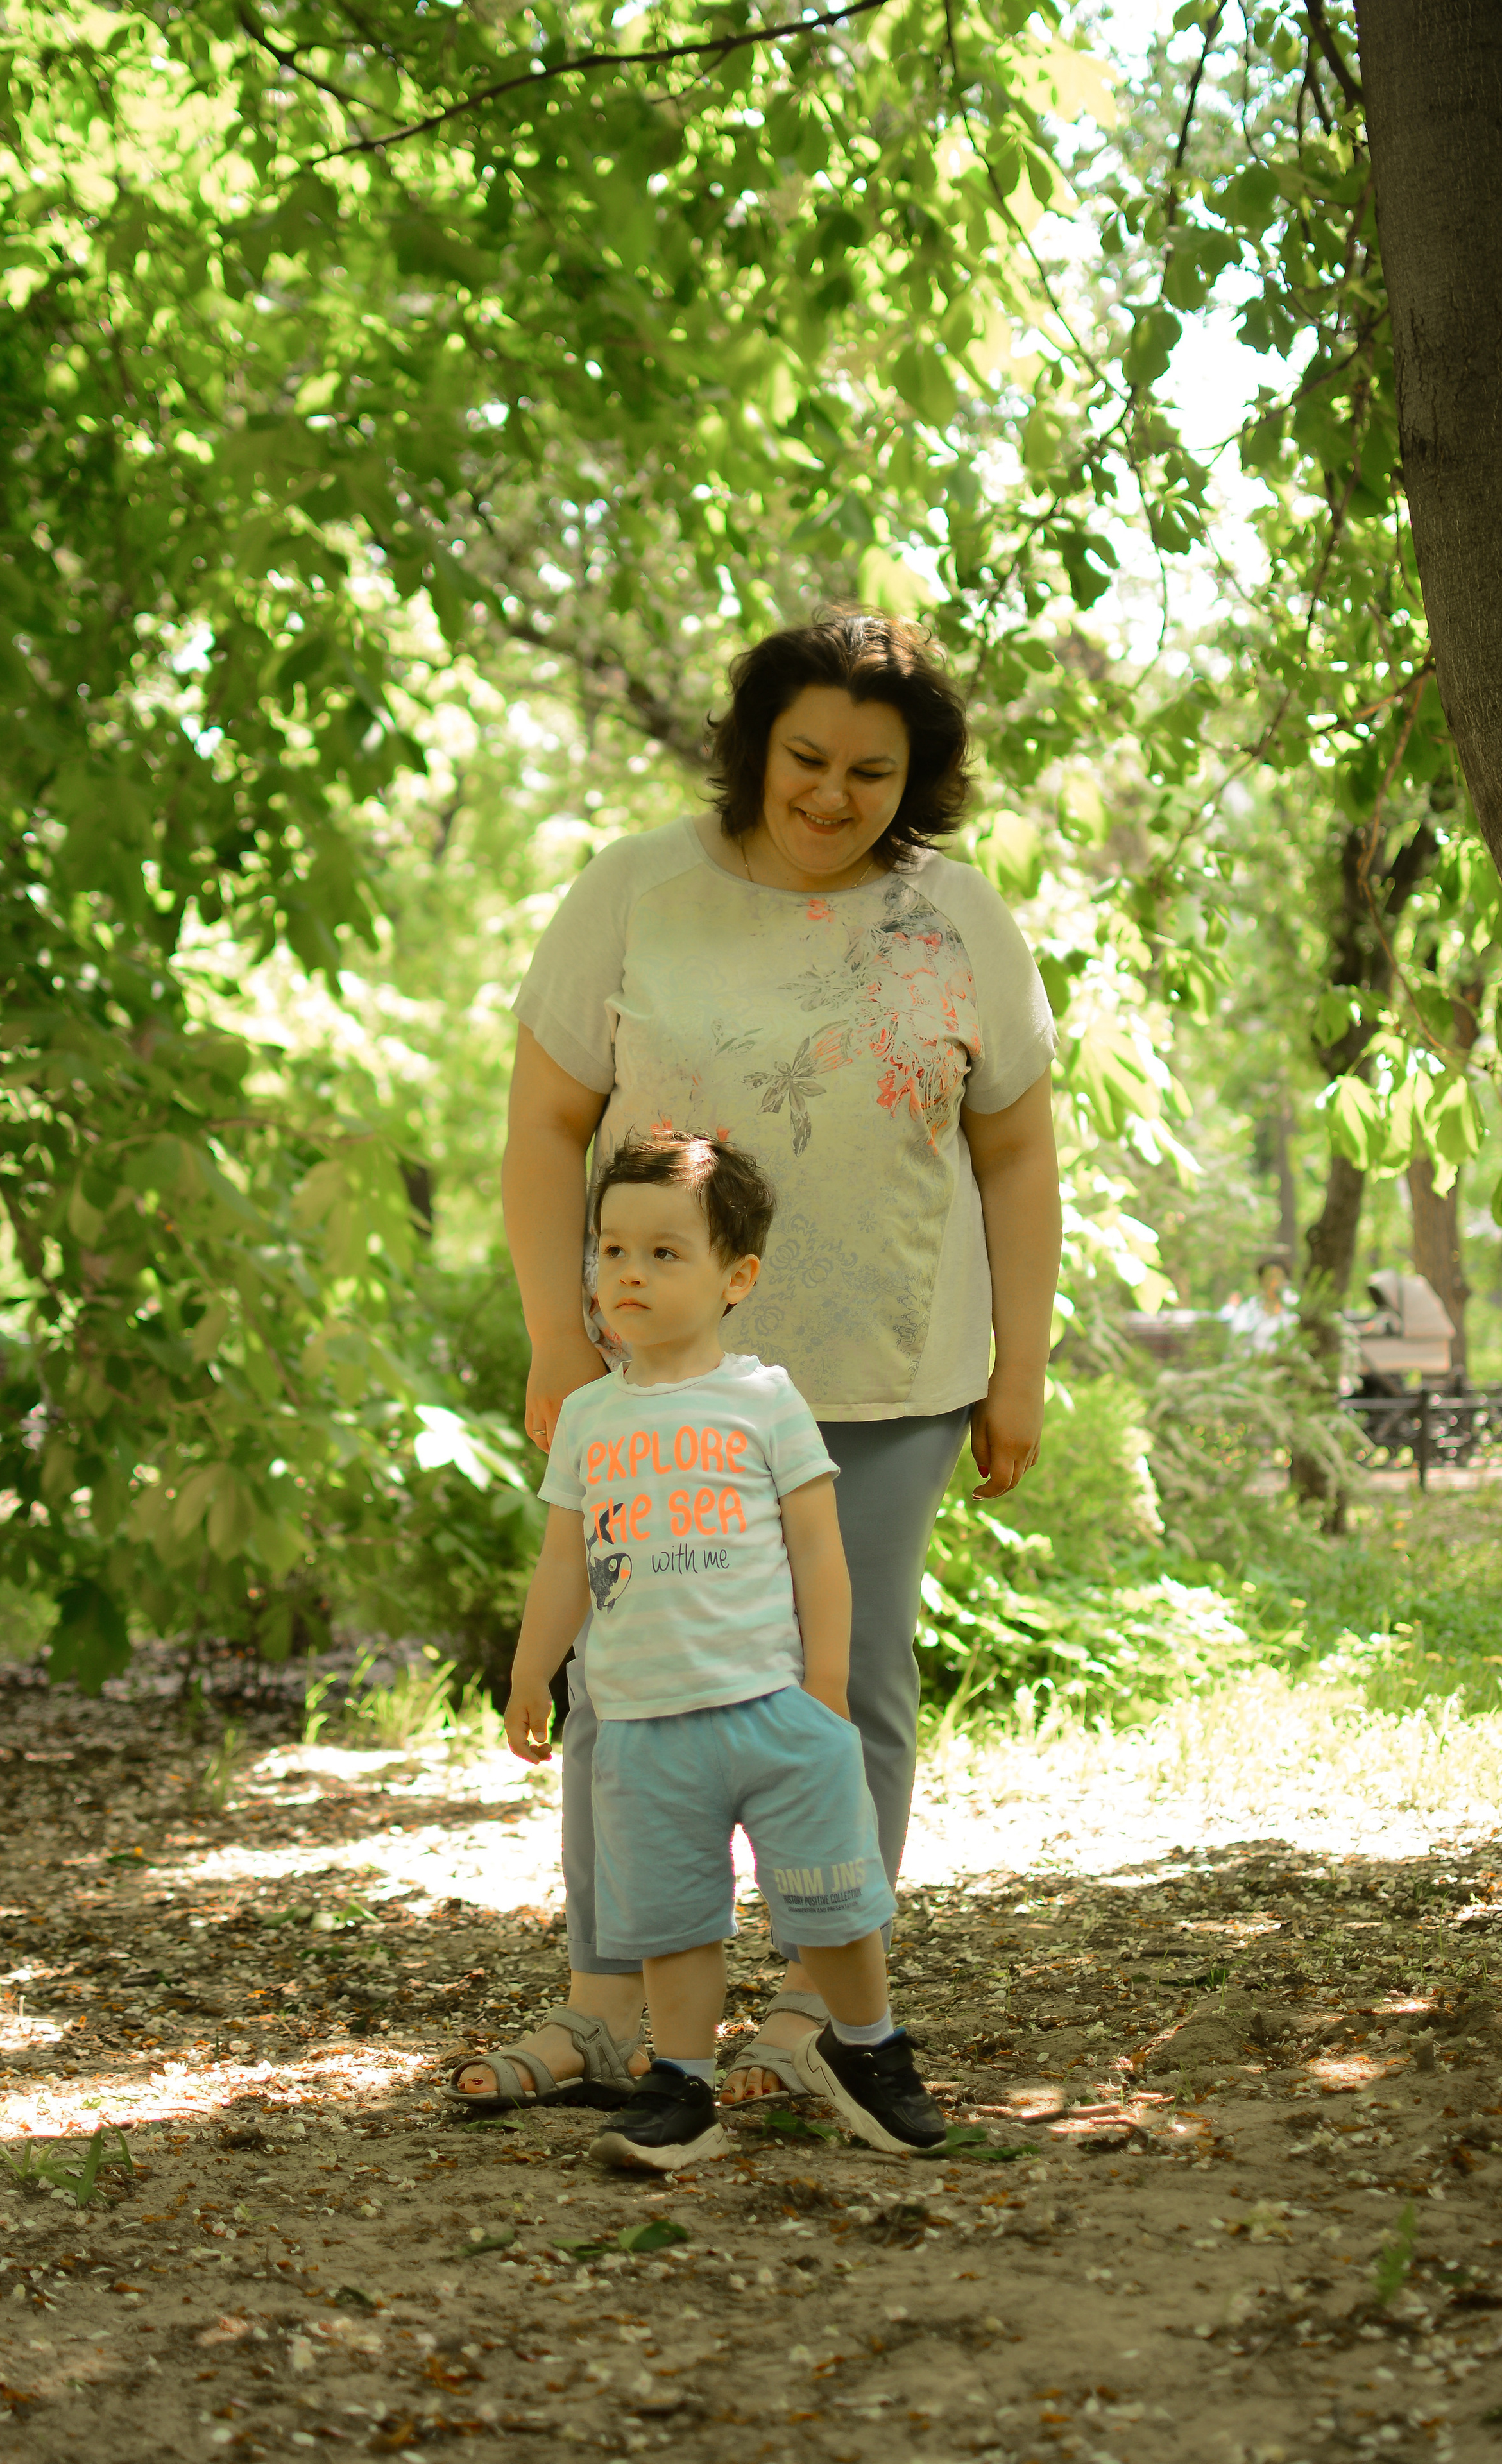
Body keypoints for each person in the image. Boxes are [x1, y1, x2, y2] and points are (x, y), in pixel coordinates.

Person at [453, 608, 1060, 2111]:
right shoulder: (634, 890)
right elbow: (542, 1129)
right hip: (655, 1375)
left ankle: (812, 2017)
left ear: (913, 780)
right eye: (805, 757)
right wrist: (555, 1334)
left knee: (842, 1689)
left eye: (870, 770)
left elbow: (1013, 1150)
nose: (830, 795)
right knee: (626, 1684)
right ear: (751, 747)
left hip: (884, 1378)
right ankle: (609, 2012)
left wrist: (1019, 1365)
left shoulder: (957, 918)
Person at [503, 1131, 947, 2167]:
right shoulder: (589, 1418)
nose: (629, 1273)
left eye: (664, 1253)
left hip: (772, 1711)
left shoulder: (764, 1401)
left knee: (834, 1902)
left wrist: (825, 1689)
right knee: (673, 1922)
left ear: (735, 1277)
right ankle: (683, 2083)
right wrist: (531, 1670)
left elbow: (820, 1551)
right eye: (613, 1250)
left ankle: (869, 2048)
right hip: (642, 1725)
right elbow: (565, 1563)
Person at [1221, 1251, 1297, 1354]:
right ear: (1261, 1280)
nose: (1274, 1282)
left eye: (1278, 1277)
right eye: (1269, 1277)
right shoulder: (1249, 1310)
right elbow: (1237, 1340)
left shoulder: (1292, 1314)